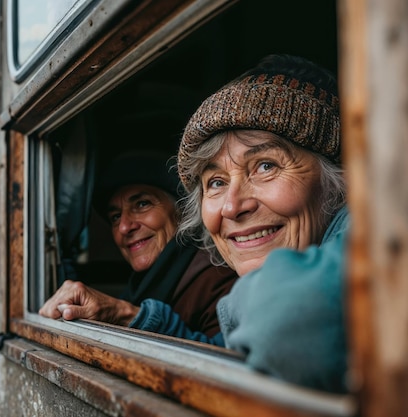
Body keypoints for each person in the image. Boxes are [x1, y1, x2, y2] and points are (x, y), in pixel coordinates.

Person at [41, 54, 349, 393]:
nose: (231, 206)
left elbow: (279, 321)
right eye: (215, 182)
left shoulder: (372, 237)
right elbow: (225, 359)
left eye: (265, 166)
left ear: (338, 179)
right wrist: (128, 316)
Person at [40, 150, 238, 337]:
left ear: (183, 211)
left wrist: (126, 314)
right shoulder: (141, 284)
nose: (124, 227)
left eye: (142, 204)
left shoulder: (219, 283)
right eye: (116, 217)